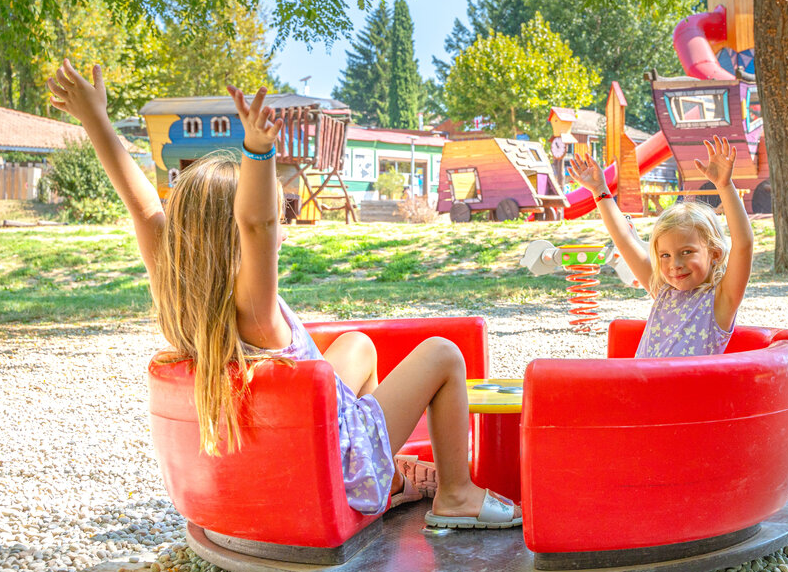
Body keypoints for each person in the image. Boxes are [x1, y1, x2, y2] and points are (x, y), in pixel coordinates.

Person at [47, 59, 520, 530]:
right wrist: (258, 152)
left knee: (357, 345)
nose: (283, 229)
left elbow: (145, 208)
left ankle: (391, 475)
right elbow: (256, 224)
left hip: (306, 436)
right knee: (443, 354)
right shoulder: (256, 313)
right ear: (239, 239)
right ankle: (455, 494)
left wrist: (95, 117)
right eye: (280, 217)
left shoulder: (182, 293)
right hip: (336, 464)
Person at [570, 136, 754, 357]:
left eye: (686, 252)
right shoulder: (663, 291)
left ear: (715, 253)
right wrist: (600, 190)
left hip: (684, 382)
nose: (675, 264)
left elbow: (743, 244)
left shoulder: (721, 301)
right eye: (665, 255)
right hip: (642, 380)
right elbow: (625, 240)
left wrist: (725, 186)